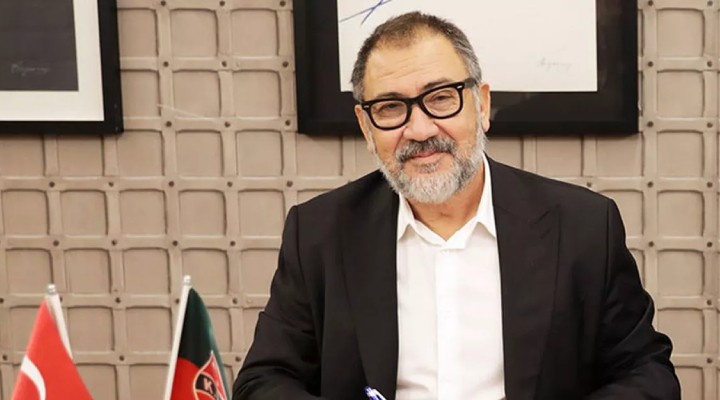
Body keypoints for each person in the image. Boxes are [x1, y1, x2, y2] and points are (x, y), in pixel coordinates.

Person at [233, 12, 679, 400]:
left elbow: (647, 374)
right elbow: (263, 381)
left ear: (481, 104)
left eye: (441, 97)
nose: (420, 129)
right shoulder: (319, 233)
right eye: (390, 108)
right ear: (367, 128)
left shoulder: (584, 226)